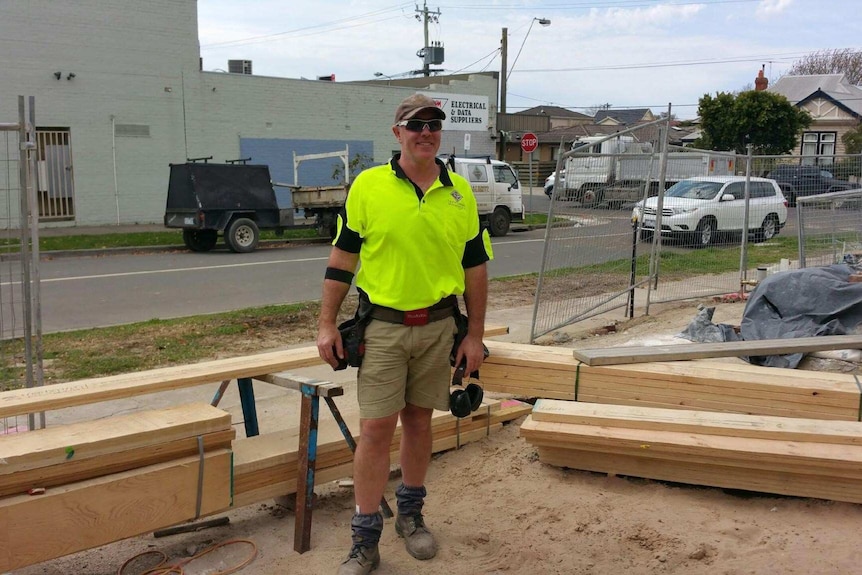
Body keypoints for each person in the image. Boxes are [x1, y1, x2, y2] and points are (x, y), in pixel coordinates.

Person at [317, 93, 493, 575]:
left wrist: (473, 335)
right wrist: (327, 323)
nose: (426, 132)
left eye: (434, 124)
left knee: (419, 423)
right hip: (384, 329)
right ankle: (364, 537)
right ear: (397, 132)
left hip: (439, 327)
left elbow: (475, 268)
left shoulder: (460, 192)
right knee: (376, 429)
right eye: (415, 124)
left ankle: (411, 517)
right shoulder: (368, 187)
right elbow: (342, 259)